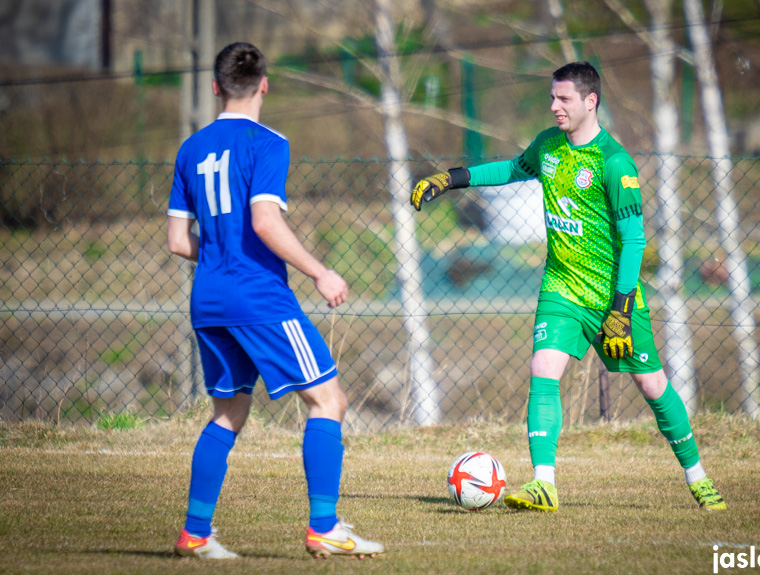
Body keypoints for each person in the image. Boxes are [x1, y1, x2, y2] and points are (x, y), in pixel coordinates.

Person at [411, 62, 725, 513]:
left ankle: (698, 478)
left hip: (614, 297)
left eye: (564, 99)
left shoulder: (615, 163)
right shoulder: (549, 145)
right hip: (562, 289)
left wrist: (620, 307)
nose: (554, 106)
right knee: (543, 368)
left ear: (590, 101)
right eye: (552, 98)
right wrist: (452, 178)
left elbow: (635, 240)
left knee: (653, 385)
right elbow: (512, 170)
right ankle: (544, 484)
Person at [166, 42, 385, 559]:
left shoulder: (191, 148)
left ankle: (195, 533)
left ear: (216, 87)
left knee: (228, 413)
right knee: (328, 400)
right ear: (265, 84)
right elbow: (265, 222)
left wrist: (218, 255)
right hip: (259, 296)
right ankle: (325, 528)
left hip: (209, 298)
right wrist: (320, 271)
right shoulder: (267, 142)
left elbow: (177, 241)